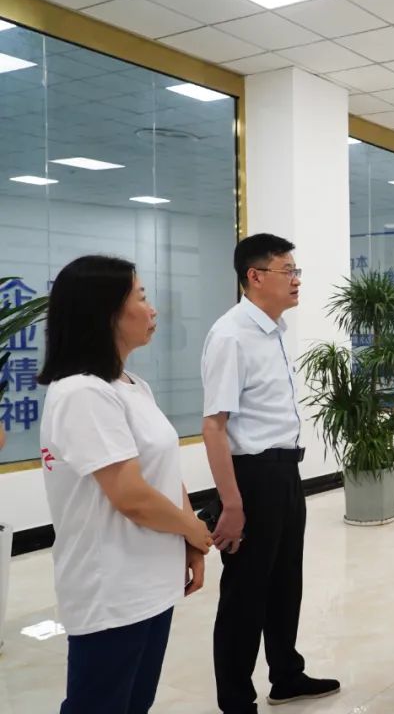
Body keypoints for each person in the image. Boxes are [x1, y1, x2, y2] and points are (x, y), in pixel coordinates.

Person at [38, 255, 213, 714]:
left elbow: (163, 471)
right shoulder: (81, 392)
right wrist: (193, 529)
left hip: (151, 579)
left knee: (135, 702)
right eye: (140, 297)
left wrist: (188, 542)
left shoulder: (132, 384)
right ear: (106, 312)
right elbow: (130, 495)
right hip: (111, 588)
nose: (152, 309)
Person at [201, 234, 339, 713]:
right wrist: (232, 502)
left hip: (284, 473)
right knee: (245, 593)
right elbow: (214, 426)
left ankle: (286, 674)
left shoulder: (273, 330)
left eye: (296, 270)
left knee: (284, 582)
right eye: (288, 271)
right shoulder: (231, 335)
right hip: (252, 477)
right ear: (255, 276)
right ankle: (236, 700)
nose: (297, 280)